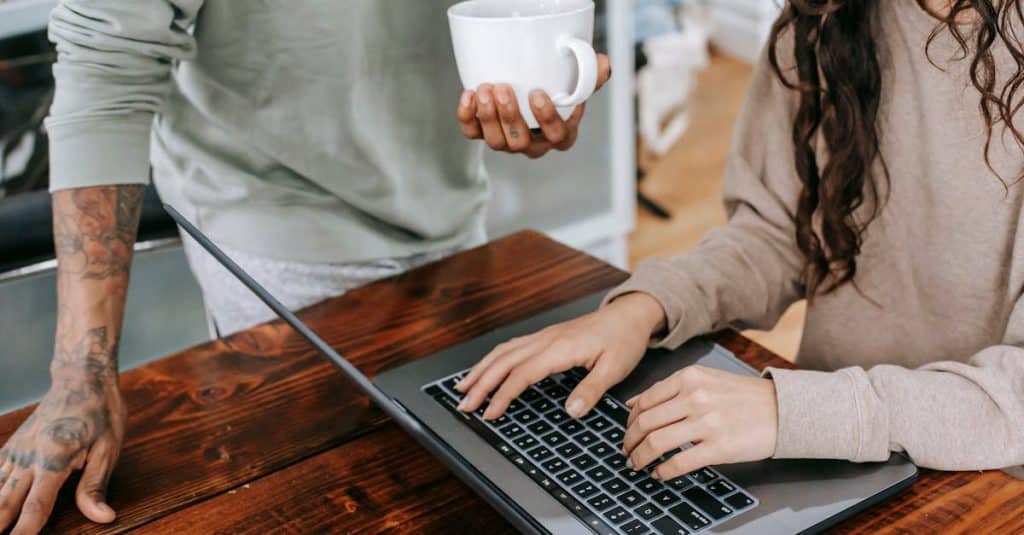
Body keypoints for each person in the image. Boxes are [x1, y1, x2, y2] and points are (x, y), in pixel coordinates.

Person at [0, 1, 610, 533]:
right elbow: (106, 71)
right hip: (271, 227)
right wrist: (79, 369)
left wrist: (548, 81)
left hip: (445, 202)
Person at [460, 0, 1024, 482]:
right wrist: (647, 306)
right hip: (822, 459)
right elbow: (777, 235)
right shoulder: (825, 14)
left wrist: (792, 411)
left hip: (985, 485)